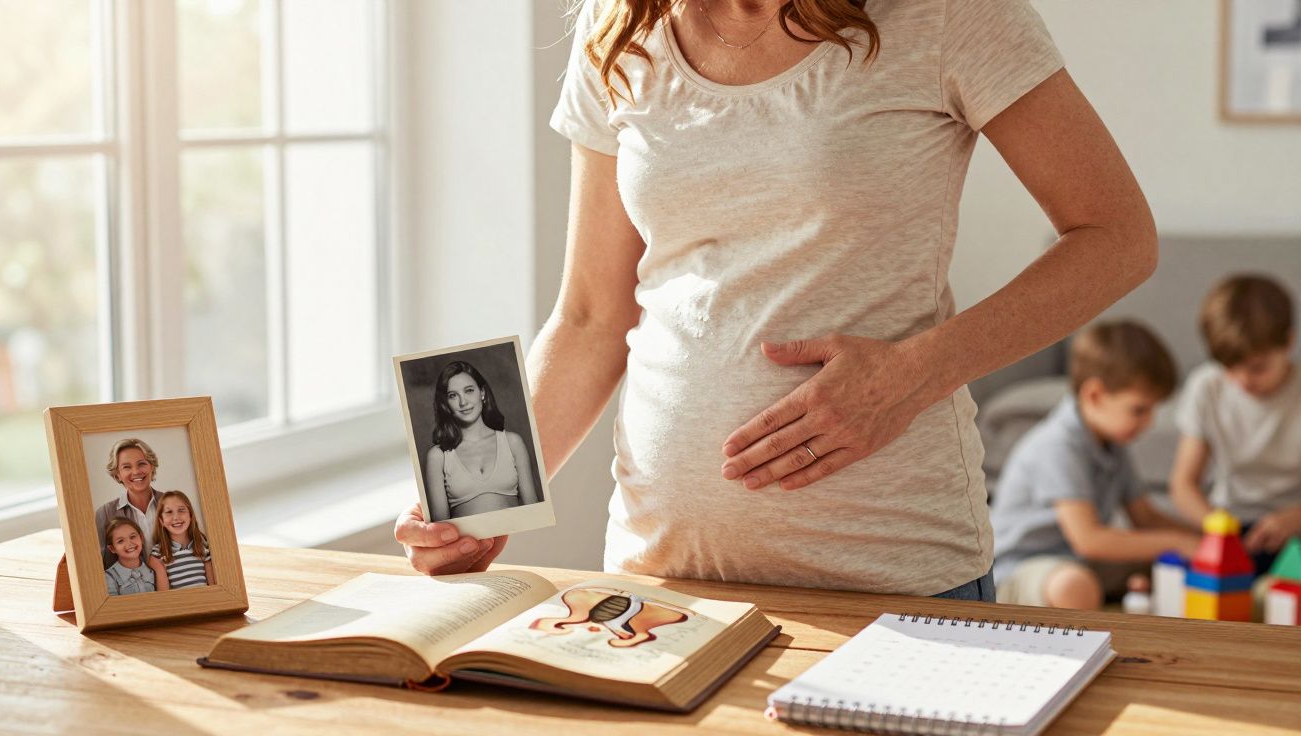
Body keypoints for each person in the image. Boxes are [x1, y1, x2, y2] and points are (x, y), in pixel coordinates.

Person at [396, 0, 1161, 599]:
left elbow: (1117, 234)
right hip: (660, 577)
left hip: (892, 578)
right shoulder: (619, 26)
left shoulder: (946, 14)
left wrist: (916, 372)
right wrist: (481, 507)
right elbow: (593, 318)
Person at [991, 322, 1201, 609]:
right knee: (1074, 585)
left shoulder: (1112, 444)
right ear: (1095, 395)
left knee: (1165, 565)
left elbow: (1146, 518)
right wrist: (1176, 543)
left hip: (1076, 559)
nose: (1149, 422)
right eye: (1139, 410)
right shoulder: (1057, 446)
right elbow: (1088, 539)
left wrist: (1202, 540)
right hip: (1021, 567)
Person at [1170, 275, 1301, 572]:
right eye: (1230, 368)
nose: (1243, 381)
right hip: (1229, 526)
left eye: (1258, 368)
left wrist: (1295, 518)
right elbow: (1183, 485)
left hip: (1294, 527)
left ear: (1289, 342)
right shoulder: (1206, 386)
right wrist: (1216, 525)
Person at [423, 361, 539, 520]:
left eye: (469, 391)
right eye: (453, 395)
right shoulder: (438, 456)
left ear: (482, 393)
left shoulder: (512, 442)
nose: (463, 402)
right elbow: (441, 529)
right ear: (446, 404)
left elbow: (534, 512)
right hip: (468, 544)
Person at [94, 438, 165, 569]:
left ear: (152, 466)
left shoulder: (172, 504)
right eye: (126, 467)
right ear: (117, 475)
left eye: (141, 464)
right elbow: (99, 565)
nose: (136, 471)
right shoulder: (104, 514)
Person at [147, 491, 214, 589]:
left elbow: (213, 586)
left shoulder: (203, 546)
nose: (176, 517)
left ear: (190, 516)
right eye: (169, 512)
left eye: (181, 510)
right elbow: (164, 595)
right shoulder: (158, 553)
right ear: (161, 520)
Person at [103, 518, 157, 597]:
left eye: (132, 537)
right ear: (112, 548)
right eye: (120, 541)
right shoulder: (109, 577)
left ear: (141, 538)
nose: (129, 544)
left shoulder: (153, 569)